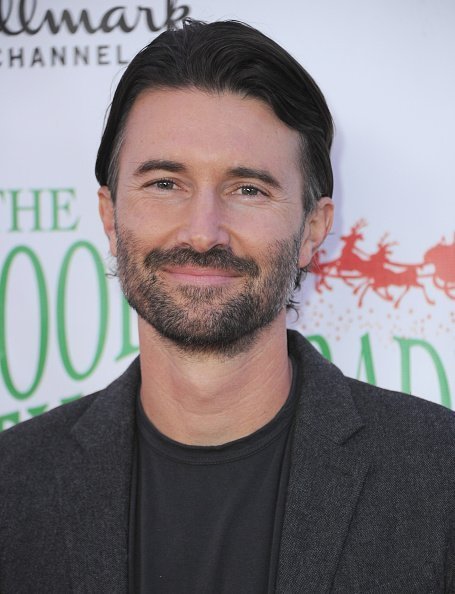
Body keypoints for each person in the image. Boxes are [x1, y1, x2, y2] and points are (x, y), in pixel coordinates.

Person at [0, 19, 454, 594]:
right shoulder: (13, 481)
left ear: (313, 230)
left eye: (248, 190)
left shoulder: (439, 476)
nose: (202, 232)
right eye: (166, 183)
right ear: (110, 215)